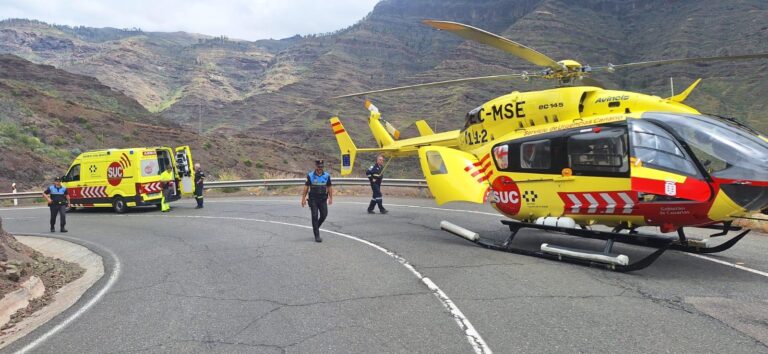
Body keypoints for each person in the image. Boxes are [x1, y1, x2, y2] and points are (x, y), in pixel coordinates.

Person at [301, 159, 333, 242]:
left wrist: (331, 198)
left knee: (324, 215)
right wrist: (303, 199)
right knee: (314, 216)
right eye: (318, 167)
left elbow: (329, 187)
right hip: (313, 199)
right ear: (316, 166)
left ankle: (316, 227)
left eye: (321, 167)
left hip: (323, 199)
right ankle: (317, 235)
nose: (320, 168)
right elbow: (306, 188)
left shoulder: (326, 175)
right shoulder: (310, 175)